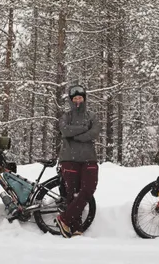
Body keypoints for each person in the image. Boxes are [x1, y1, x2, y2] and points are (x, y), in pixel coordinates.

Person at [55, 83, 100, 238]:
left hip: (89, 158)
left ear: (84, 98)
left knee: (88, 189)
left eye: (80, 97)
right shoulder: (66, 116)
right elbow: (64, 130)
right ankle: (76, 229)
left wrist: (75, 136)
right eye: (75, 98)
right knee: (71, 194)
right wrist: (83, 128)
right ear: (71, 100)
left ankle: (64, 218)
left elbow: (95, 132)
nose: (78, 100)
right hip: (69, 158)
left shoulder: (91, 116)